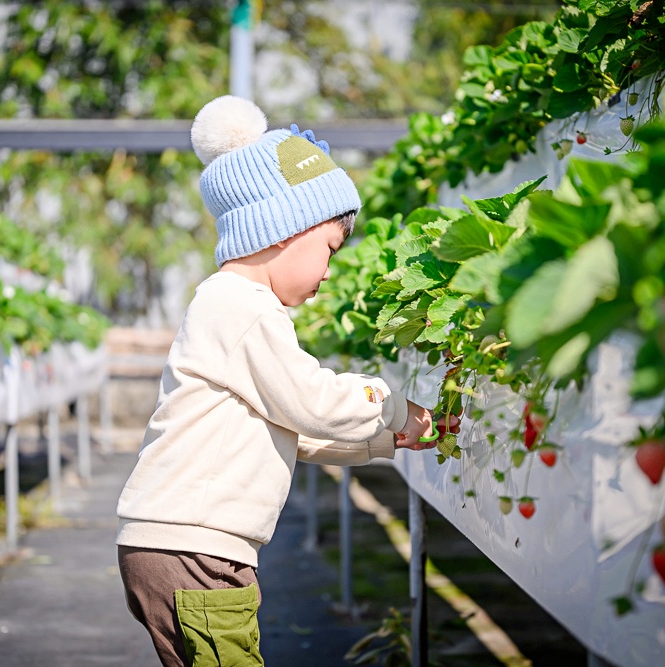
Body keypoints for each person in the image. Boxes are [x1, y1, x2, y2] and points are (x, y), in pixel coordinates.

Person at [116, 95, 452, 667]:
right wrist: (393, 407)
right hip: (196, 553)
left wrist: (383, 441)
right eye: (328, 249)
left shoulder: (233, 307)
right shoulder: (241, 307)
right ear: (282, 230)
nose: (328, 271)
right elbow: (312, 401)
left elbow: (294, 428)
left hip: (176, 545)